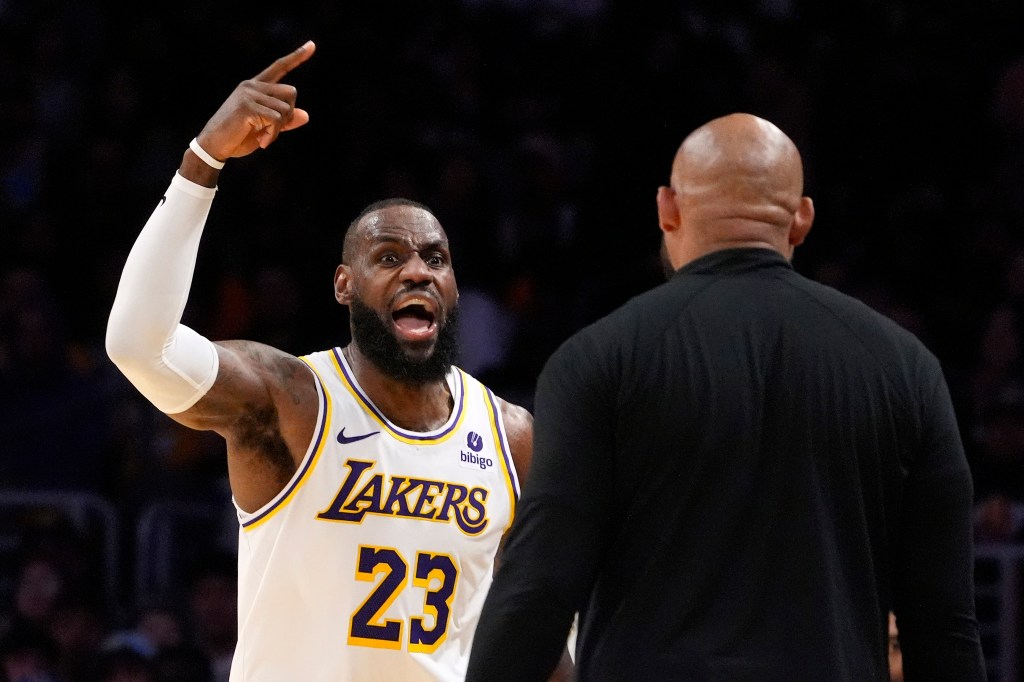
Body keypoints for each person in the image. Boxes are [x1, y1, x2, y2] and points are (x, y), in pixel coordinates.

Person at [466, 113, 987, 681]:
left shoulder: (596, 359)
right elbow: (944, 626)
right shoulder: (906, 367)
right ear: (802, 220)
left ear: (667, 207)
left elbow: (539, 588)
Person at [105, 41, 532, 681]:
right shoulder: (292, 399)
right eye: (388, 257)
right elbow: (139, 346)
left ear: (453, 287)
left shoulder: (510, 436)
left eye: (435, 259)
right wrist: (203, 160)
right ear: (344, 286)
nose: (417, 271)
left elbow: (540, 632)